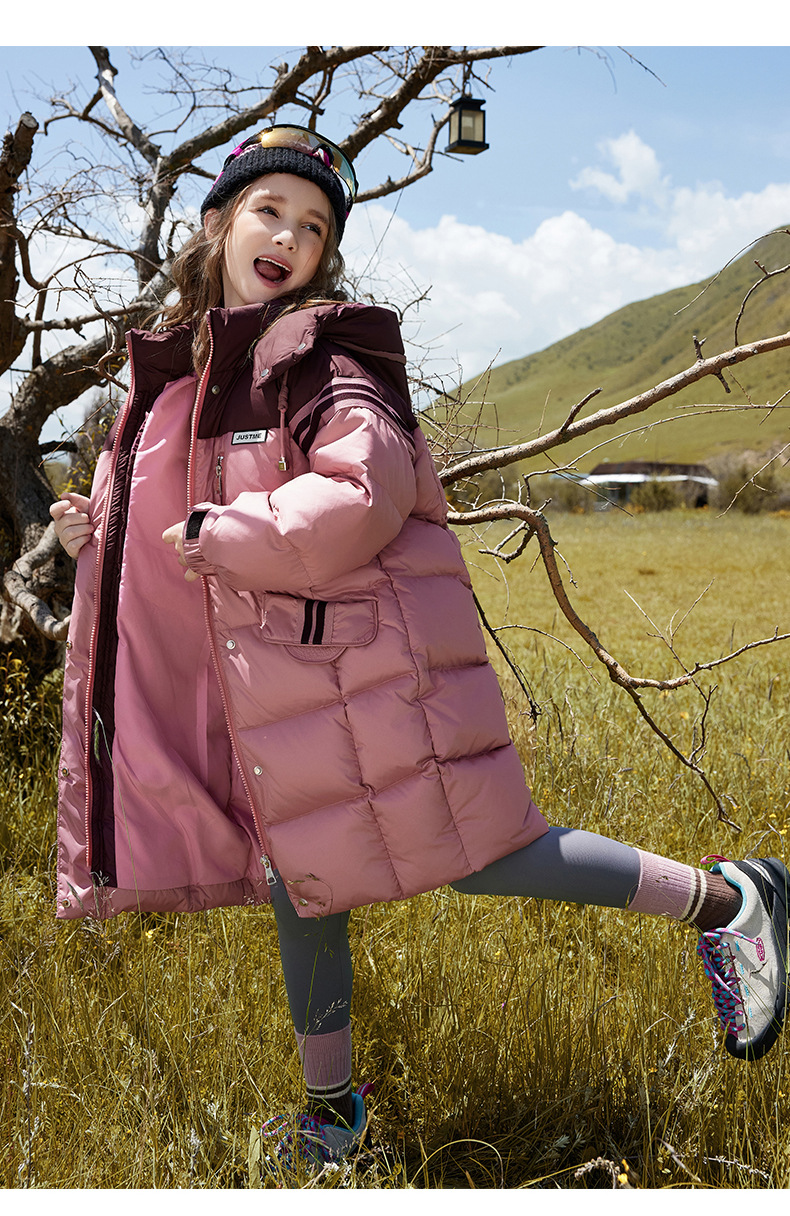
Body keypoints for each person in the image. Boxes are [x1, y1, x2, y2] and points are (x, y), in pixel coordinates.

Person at [50, 124, 789, 1172]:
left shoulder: (325, 358)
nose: (288, 237)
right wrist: (96, 529)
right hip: (289, 690)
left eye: (313, 227)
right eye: (269, 211)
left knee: (483, 852)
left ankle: (732, 898)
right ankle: (334, 1118)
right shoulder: (191, 370)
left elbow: (364, 491)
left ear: (325, 257)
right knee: (303, 881)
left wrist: (228, 535)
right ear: (218, 223)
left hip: (367, 677)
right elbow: (174, 513)